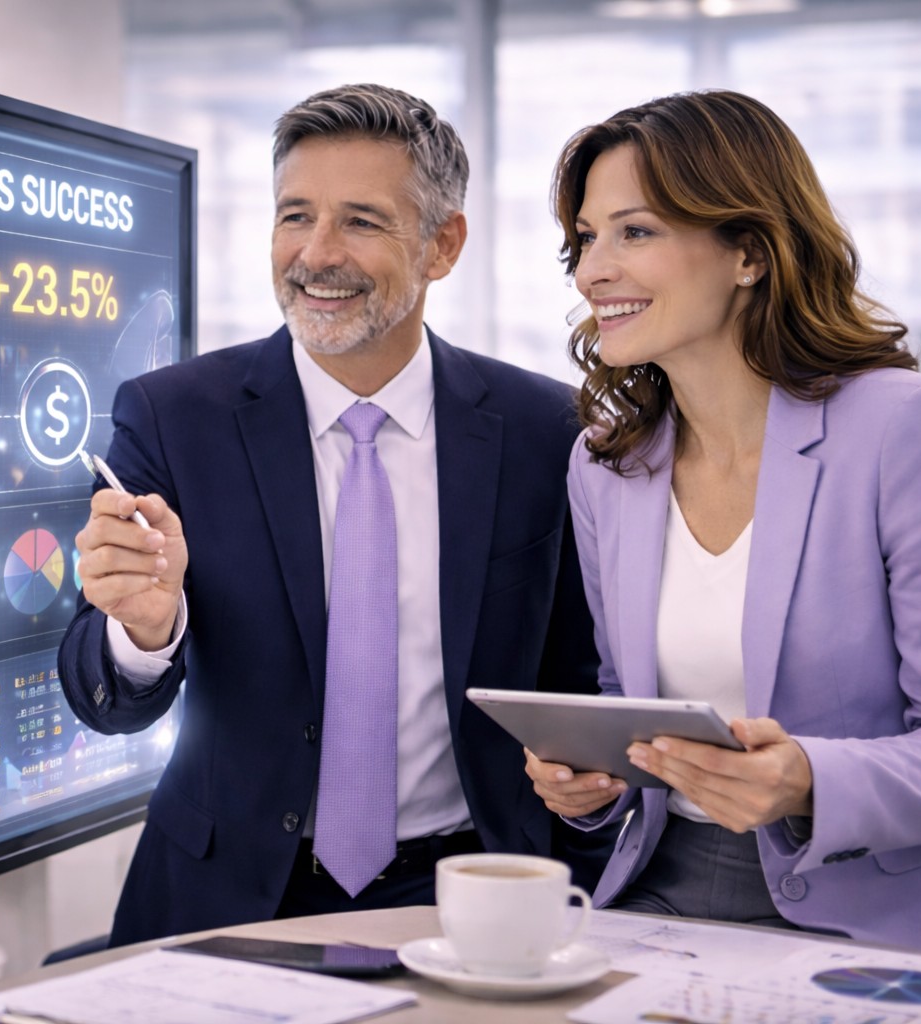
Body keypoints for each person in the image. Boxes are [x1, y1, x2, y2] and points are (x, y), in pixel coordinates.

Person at [58, 83, 613, 946]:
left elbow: (580, 676)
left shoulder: (545, 429)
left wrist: (591, 783)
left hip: (472, 895)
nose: (315, 255)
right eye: (294, 217)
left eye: (360, 220)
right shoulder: (174, 415)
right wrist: (144, 631)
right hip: (227, 896)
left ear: (443, 244)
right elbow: (104, 697)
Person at [527, 89, 921, 962]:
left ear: (748, 252)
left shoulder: (913, 430)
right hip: (659, 902)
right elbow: (625, 700)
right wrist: (590, 783)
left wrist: (810, 781)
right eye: (585, 241)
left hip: (886, 927)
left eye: (634, 232)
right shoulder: (607, 464)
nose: (593, 270)